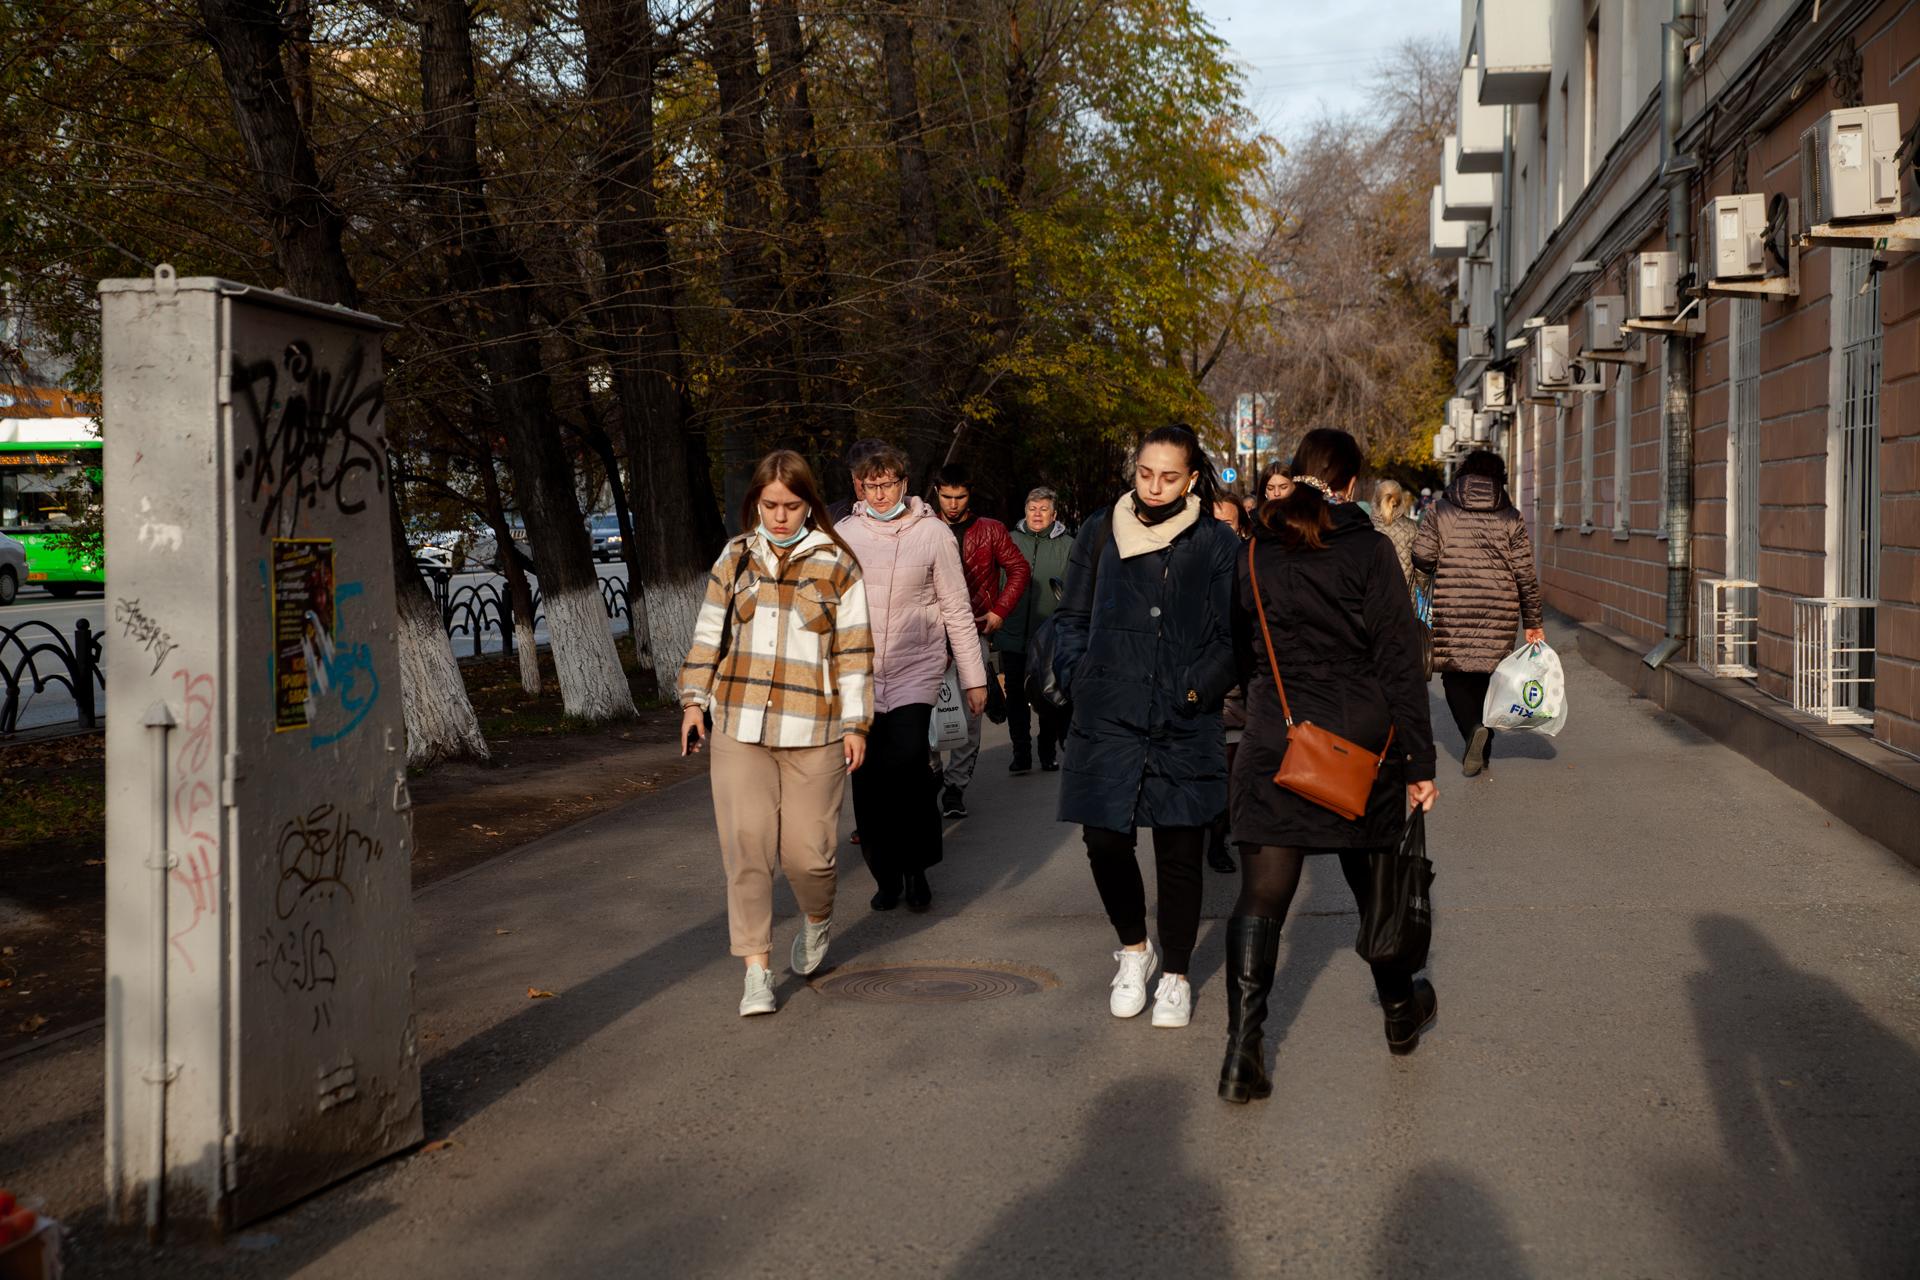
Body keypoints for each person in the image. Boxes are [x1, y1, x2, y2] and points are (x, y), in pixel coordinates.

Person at [1221, 428, 1439, 1103]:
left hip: (1276, 738)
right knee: (1378, 889)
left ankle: (1242, 1052)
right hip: (1358, 745)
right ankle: (1401, 1014)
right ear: (1349, 485)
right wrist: (1420, 761)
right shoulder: (1370, 551)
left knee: (1261, 897)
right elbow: (1401, 659)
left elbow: (1239, 648)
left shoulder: (1254, 552)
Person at [1054, 424, 1238, 1030]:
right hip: (1107, 710)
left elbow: (1230, 638)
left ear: (1191, 479)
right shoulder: (1100, 530)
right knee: (1104, 840)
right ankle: (1135, 949)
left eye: (1169, 476)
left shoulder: (1215, 541)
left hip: (1182, 716)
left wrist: (1194, 689)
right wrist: (1078, 675)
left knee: (1180, 850)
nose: (1155, 487)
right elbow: (1072, 616)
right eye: (1145, 474)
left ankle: (1178, 973)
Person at [679, 450, 874, 1017]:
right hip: (740, 725)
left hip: (815, 730)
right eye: (770, 505)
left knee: (809, 858)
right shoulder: (736, 557)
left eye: (792, 505)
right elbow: (707, 635)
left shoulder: (838, 562)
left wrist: (857, 723)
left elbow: (856, 652)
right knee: (747, 851)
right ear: (755, 503)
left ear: (810, 503)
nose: (781, 516)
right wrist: (694, 702)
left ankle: (817, 919)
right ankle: (757, 971)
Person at [838, 444, 988, 912]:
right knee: (866, 777)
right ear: (860, 486)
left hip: (915, 669)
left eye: (888, 483)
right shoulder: (844, 535)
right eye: (870, 484)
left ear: (904, 483)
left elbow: (956, 609)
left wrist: (973, 677)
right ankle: (885, 873)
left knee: (906, 766)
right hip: (859, 674)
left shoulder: (933, 534)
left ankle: (917, 868)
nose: (880, 493)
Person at [1411, 449, 1544, 778]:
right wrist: (1534, 622)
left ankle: (1473, 732)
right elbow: (1525, 573)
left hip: (1454, 605)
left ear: (1463, 475)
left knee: (1456, 677)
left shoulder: (1442, 510)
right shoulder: (1510, 516)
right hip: (1500, 608)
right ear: (1499, 479)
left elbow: (1422, 555)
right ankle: (1483, 741)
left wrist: (1436, 563)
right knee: (1489, 676)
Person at [932, 462, 1031, 816]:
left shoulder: (990, 530)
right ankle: (933, 772)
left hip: (973, 632)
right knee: (923, 710)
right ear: (936, 493)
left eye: (960, 496)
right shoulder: (922, 529)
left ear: (969, 494)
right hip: (927, 634)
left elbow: (1019, 568)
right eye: (947, 496)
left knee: (970, 713)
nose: (953, 504)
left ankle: (955, 788)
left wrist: (1000, 611)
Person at [997, 485, 1074, 773]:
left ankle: (1047, 750)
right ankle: (1021, 753)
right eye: (1032, 508)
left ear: (1054, 514)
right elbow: (998, 581)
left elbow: (1075, 590)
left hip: (1050, 636)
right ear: (1025, 512)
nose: (1037, 514)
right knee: (1015, 693)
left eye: (1043, 509)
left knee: (1048, 693)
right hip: (1013, 630)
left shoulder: (1068, 545)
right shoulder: (1009, 540)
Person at [1208, 490, 1251, 875]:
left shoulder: (1249, 564)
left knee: (1230, 771)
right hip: (1194, 681)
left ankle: (1218, 839)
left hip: (1237, 683)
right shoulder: (1186, 558)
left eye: (1228, 522)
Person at [1371, 478, 1419, 593]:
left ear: (1376, 499)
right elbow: (1420, 563)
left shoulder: (1366, 527)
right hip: (1406, 600)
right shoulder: (1411, 527)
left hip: (1373, 601)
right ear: (1400, 499)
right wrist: (1423, 585)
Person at [828, 438, 889, 523]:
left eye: (875, 476)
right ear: (852, 476)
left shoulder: (909, 514)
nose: (867, 483)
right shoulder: (832, 516)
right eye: (861, 476)